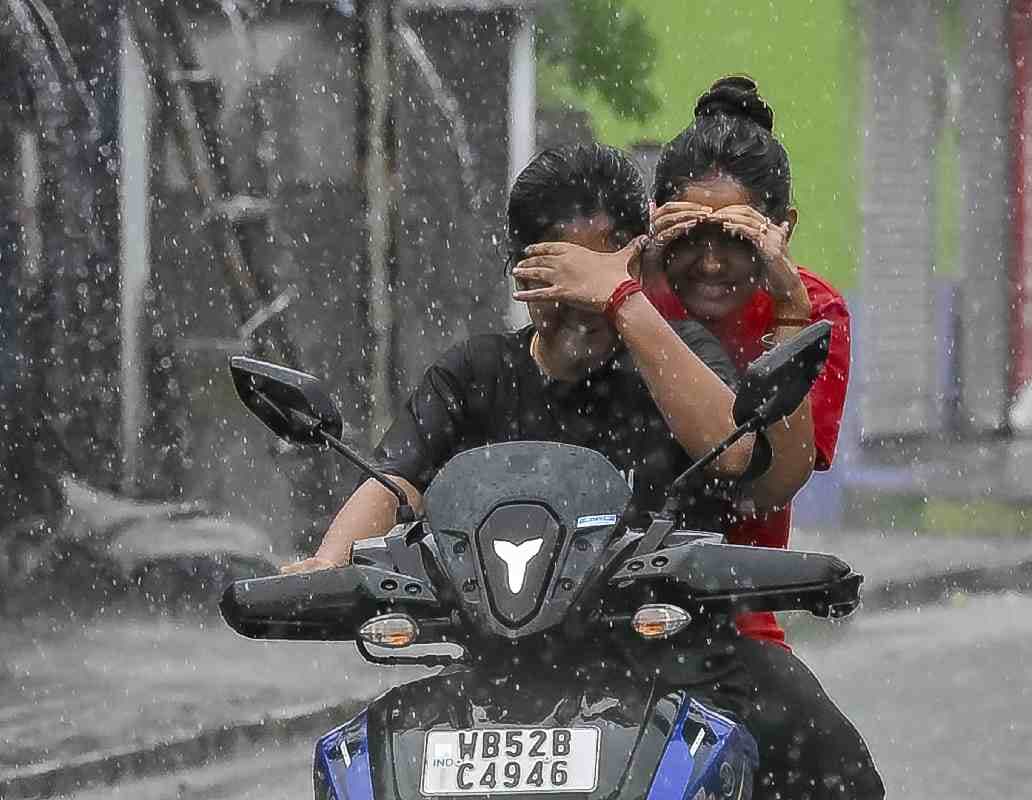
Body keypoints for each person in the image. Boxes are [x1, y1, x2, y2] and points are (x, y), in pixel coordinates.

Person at [282, 142, 756, 572]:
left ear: (637, 263)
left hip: (664, 642)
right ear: (521, 276)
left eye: (595, 281)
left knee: (776, 672)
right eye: (559, 281)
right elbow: (398, 481)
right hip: (502, 641)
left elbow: (734, 452)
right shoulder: (475, 373)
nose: (583, 305)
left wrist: (624, 300)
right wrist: (329, 563)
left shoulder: (681, 355)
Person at [638, 76, 882, 799]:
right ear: (654, 224)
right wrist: (636, 291)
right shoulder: (616, 300)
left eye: (738, 240)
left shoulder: (813, 312)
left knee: (842, 780)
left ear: (784, 231)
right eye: (690, 237)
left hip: (728, 620)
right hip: (579, 614)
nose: (711, 263)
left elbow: (778, 481)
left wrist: (786, 309)